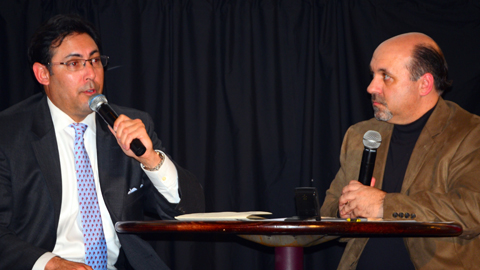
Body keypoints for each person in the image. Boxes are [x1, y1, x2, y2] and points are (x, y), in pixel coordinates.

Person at [0, 14, 205, 270]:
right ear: (43, 73)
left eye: (95, 61)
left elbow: (189, 213)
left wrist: (151, 160)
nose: (91, 74)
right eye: (75, 63)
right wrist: (48, 264)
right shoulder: (8, 134)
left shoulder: (128, 125)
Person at [321, 32, 480, 269]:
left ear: (424, 84)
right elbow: (328, 210)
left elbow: (472, 208)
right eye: (373, 74)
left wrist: (385, 205)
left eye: (386, 76)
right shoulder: (360, 135)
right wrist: (344, 211)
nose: (371, 87)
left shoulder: (469, 133)